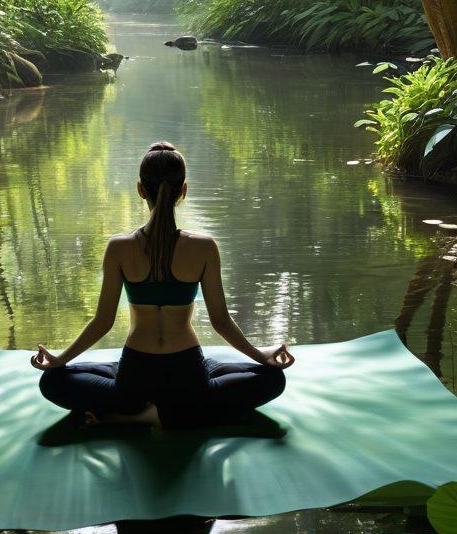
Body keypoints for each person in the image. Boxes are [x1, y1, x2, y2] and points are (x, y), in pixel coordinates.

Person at [32, 140, 293, 429]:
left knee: (53, 381)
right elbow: (221, 322)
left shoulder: (119, 248)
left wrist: (61, 358)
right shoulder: (204, 247)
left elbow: (102, 322)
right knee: (272, 379)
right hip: (188, 375)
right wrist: (261, 356)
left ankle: (139, 413)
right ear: (183, 190)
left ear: (140, 190)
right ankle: (178, 413)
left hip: (134, 376)